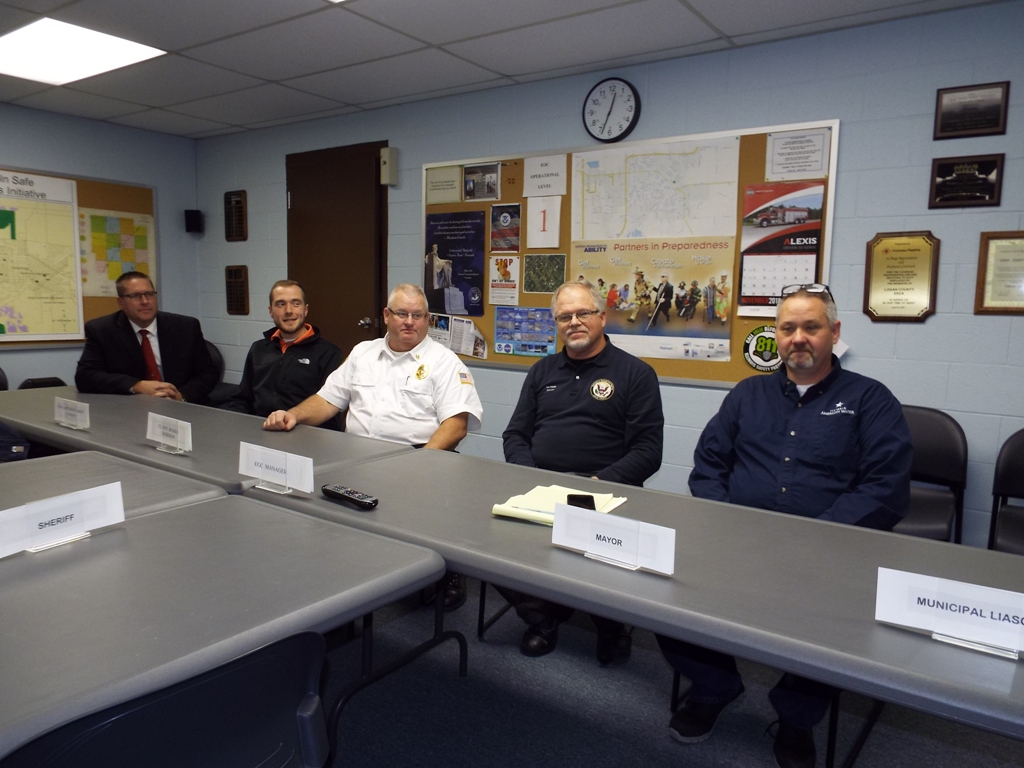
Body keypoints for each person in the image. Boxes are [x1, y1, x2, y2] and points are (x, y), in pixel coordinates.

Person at [659, 284, 912, 768]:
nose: (799, 338)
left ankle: (797, 718)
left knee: (837, 622)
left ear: (834, 332)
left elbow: (886, 488)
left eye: (811, 327)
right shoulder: (747, 394)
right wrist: (727, 521)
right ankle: (714, 687)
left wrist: (817, 536)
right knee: (664, 591)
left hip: (830, 551)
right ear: (775, 335)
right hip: (738, 540)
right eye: (788, 328)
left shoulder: (871, 400)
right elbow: (709, 465)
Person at [263, 283, 484, 610]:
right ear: (386, 315)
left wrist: (421, 461)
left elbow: (456, 424)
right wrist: (293, 415)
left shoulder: (445, 362)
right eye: (402, 313)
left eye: (418, 315)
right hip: (357, 460)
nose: (409, 321)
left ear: (427, 319)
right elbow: (327, 400)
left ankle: (446, 571)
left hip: (417, 462)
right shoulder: (363, 353)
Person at [502, 280, 664, 662]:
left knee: (605, 560)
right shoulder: (541, 371)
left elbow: (648, 451)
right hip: (542, 486)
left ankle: (611, 625)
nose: (573, 322)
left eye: (582, 313)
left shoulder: (636, 373)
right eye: (564, 317)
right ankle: (543, 618)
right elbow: (515, 435)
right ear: (556, 324)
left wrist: (597, 484)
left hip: (607, 492)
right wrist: (533, 478)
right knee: (490, 547)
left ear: (602, 318)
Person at [75, 271, 218, 404]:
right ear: (120, 302)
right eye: (135, 296)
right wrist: (137, 385)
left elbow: (208, 373)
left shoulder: (185, 327)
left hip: (183, 407)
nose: (145, 301)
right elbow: (85, 377)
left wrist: (181, 396)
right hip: (132, 409)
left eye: (149, 294)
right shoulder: (102, 330)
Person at [221, 280, 342, 426]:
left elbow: (330, 409)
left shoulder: (328, 353)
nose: (288, 310)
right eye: (280, 304)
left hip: (304, 431)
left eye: (296, 303)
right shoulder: (258, 348)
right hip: (260, 428)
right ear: (271, 311)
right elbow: (243, 398)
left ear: (305, 310)